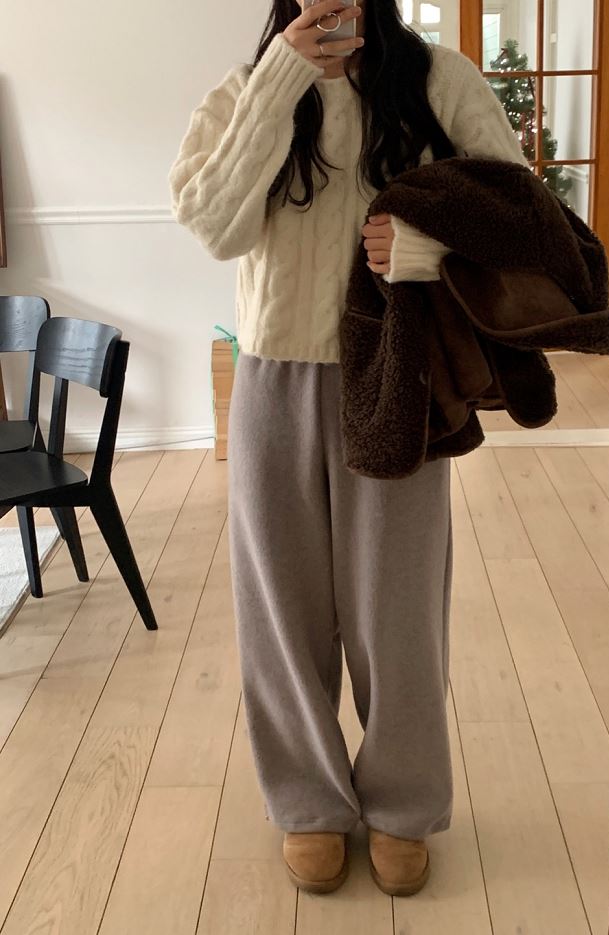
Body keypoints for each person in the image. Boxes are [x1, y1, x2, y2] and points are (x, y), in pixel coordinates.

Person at [169, 0, 528, 898]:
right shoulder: (247, 90)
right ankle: (309, 801)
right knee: (281, 608)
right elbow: (213, 227)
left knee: (398, 607)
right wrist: (283, 79)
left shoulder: (439, 80)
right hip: (274, 375)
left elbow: (519, 214)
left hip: (398, 370)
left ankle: (403, 803)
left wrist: (425, 245)